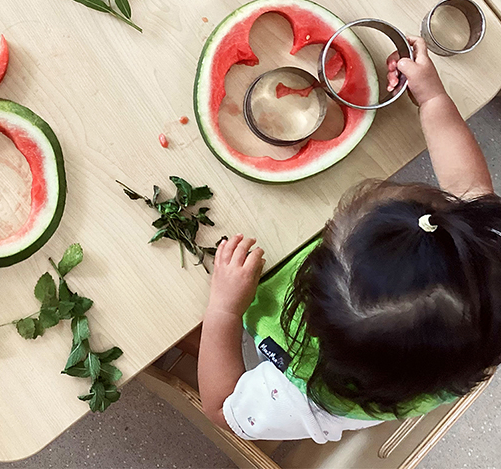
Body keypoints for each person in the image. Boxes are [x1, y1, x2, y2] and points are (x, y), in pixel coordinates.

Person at [197, 36, 501, 442]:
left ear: (312, 313)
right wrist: (432, 99)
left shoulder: (307, 399)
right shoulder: (483, 259)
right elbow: (469, 187)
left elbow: (219, 408)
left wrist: (223, 311)